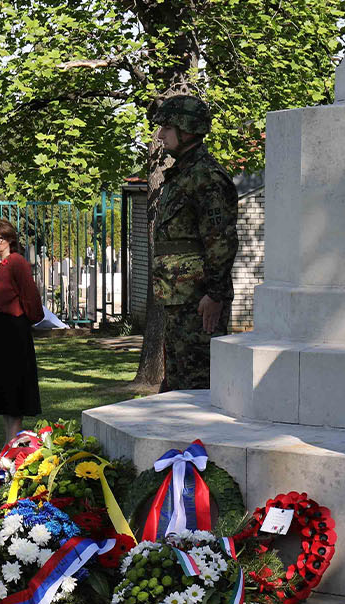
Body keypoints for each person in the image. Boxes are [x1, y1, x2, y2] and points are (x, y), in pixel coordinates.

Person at [147, 94, 239, 392]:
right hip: (180, 299)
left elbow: (220, 241)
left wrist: (215, 294)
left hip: (198, 303)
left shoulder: (206, 177)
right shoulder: (183, 174)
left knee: (195, 387)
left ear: (186, 130)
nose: (160, 135)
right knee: (177, 385)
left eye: (167, 128)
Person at [0, 219, 43, 443]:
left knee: (14, 387)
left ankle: (12, 445)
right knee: (3, 388)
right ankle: (8, 442)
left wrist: (30, 319)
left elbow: (30, 295)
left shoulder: (17, 262)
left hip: (12, 331)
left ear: (10, 239)